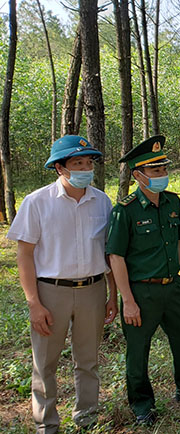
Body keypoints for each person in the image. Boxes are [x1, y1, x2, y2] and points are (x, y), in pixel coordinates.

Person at [7, 135, 117, 433]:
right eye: (76, 163)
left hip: (93, 290)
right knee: (45, 363)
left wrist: (113, 296)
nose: (85, 168)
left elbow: (110, 253)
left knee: (88, 359)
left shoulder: (101, 201)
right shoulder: (37, 202)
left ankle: (87, 418)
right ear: (60, 168)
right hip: (50, 291)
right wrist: (34, 303)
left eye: (88, 162)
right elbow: (25, 255)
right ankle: (47, 425)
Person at [106, 136, 180, 426]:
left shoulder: (172, 201)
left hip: (172, 286)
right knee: (138, 351)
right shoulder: (124, 211)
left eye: (163, 169)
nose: (162, 175)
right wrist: (127, 300)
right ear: (138, 175)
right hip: (141, 292)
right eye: (155, 171)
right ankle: (142, 405)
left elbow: (179, 242)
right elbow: (116, 258)